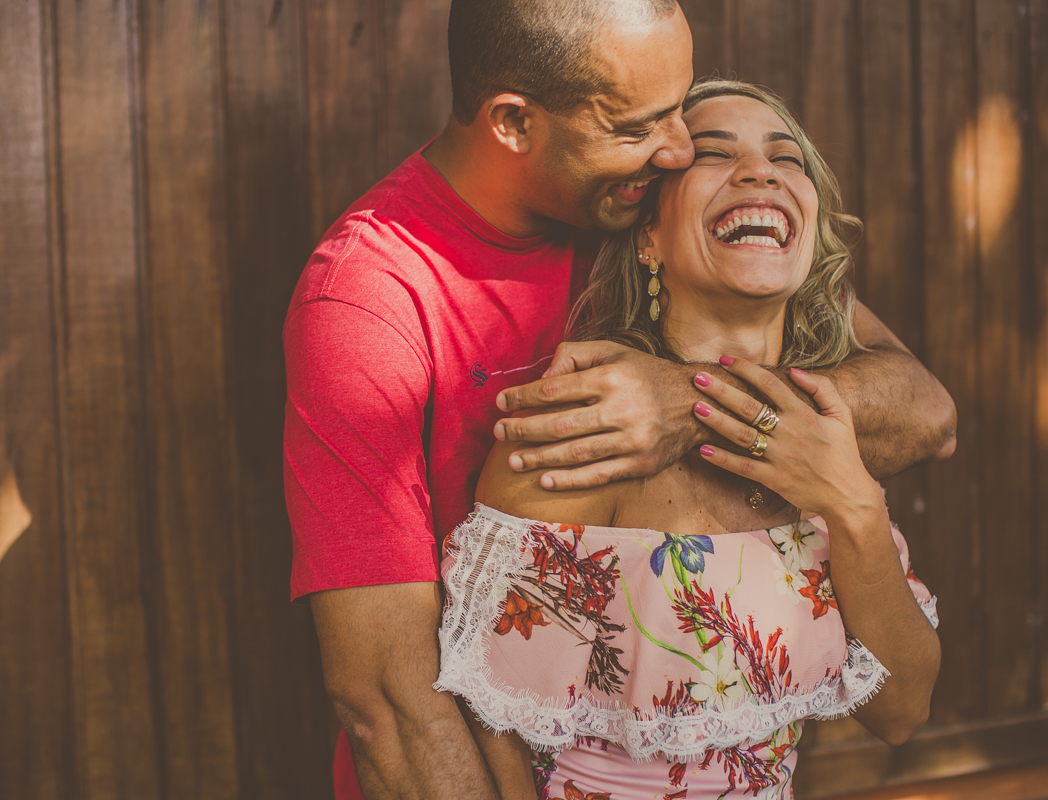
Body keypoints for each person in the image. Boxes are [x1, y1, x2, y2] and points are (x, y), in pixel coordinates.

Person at [282, 2, 956, 798]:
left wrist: (689, 402)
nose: (674, 149)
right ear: (513, 122)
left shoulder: (640, 196)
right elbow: (391, 702)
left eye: (679, 114)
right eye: (642, 125)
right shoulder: (368, 303)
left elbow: (923, 410)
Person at [435, 79, 941, 800]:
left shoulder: (831, 433)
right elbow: (489, 725)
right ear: (649, 235)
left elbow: (903, 711)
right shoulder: (581, 435)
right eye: (713, 153)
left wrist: (852, 503)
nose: (761, 170)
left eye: (785, 157)